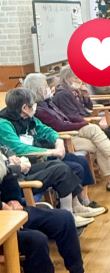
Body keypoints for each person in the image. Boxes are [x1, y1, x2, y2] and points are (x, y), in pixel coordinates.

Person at [1, 152, 106, 273]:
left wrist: (13, 199)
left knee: (64, 219)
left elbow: (7, 174)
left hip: (8, 212)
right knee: (36, 240)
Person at [0, 88, 102, 227]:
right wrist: (51, 152)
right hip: (19, 173)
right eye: (33, 104)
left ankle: (76, 207)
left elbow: (46, 130)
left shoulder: (29, 118)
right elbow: (19, 148)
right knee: (62, 169)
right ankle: (69, 214)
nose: (35, 107)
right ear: (24, 107)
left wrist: (58, 140)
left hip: (31, 163)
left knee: (66, 165)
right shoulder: (4, 124)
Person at [24, 72, 110, 192]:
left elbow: (67, 117)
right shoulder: (39, 110)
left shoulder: (48, 103)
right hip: (64, 138)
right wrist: (82, 123)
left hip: (71, 130)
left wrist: (82, 118)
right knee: (98, 139)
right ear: (38, 90)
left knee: (97, 136)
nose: (49, 88)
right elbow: (60, 126)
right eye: (46, 86)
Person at [51, 64, 110, 154]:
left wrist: (86, 96)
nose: (79, 80)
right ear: (67, 79)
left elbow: (89, 108)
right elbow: (73, 116)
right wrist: (93, 123)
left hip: (86, 122)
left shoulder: (75, 91)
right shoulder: (63, 94)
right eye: (76, 78)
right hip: (78, 127)